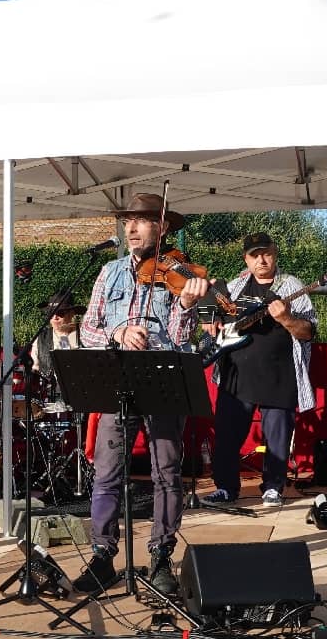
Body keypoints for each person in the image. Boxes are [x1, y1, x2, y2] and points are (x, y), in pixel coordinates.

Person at [72, 193, 209, 596]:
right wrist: (118, 332)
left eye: (142, 221)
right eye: (127, 221)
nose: (131, 229)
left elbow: (182, 339)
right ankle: (102, 556)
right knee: (106, 473)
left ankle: (161, 556)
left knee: (167, 473)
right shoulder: (109, 272)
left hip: (162, 381)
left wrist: (184, 305)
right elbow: (87, 330)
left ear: (162, 227)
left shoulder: (181, 272)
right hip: (117, 382)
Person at [200, 232, 316, 508]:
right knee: (227, 434)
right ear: (246, 259)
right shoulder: (235, 286)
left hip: (280, 374)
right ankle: (226, 487)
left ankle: (273, 487)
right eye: (255, 255)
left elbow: (308, 331)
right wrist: (208, 320)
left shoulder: (292, 286)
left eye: (266, 253)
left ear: (275, 254)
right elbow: (206, 297)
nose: (261, 260)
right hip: (236, 375)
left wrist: (286, 318)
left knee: (277, 436)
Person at [29, 287, 84, 377]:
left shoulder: (85, 335)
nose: (55, 317)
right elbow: (35, 366)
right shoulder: (41, 338)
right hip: (50, 389)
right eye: (51, 313)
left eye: (60, 313)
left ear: (71, 313)